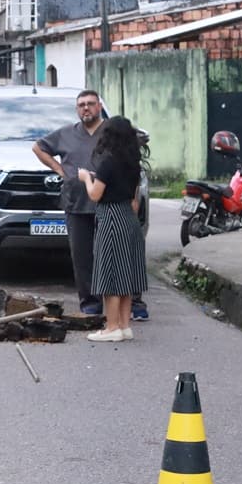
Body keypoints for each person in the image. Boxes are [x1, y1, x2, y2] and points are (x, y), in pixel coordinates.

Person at [33, 90, 149, 320]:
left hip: (113, 206)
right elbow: (38, 148)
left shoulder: (115, 132)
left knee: (122, 256)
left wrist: (134, 199)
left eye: (90, 104)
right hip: (77, 204)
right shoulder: (66, 133)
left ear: (99, 107)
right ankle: (90, 304)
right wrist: (60, 170)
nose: (86, 108)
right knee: (82, 256)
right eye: (81, 105)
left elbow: (132, 164)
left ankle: (135, 304)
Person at [77, 116, 148, 342]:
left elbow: (95, 195)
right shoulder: (133, 164)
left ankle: (112, 327)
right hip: (129, 218)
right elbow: (134, 199)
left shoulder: (107, 162)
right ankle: (125, 326)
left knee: (110, 275)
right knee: (127, 276)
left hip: (110, 217)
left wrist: (86, 178)